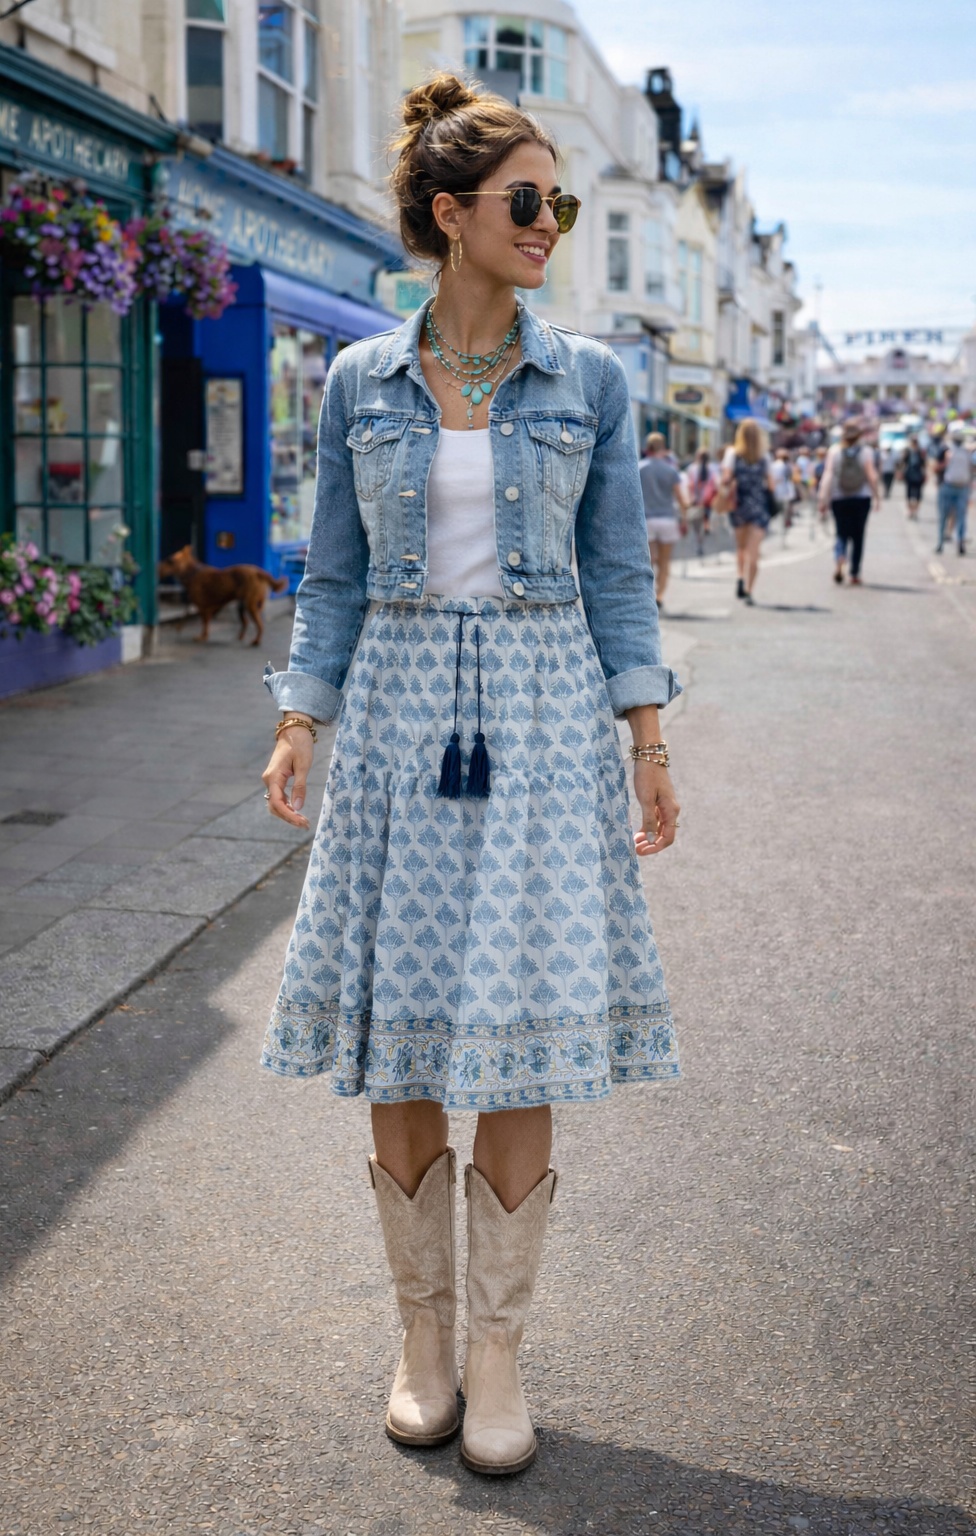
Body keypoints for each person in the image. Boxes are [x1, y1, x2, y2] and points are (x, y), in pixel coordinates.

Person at [258, 74, 681, 1478]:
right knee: (401, 1028)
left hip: (547, 717)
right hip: (391, 714)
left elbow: (621, 571)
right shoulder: (360, 382)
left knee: (521, 1027)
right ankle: (423, 1339)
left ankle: (498, 1352)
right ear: (452, 215)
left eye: (559, 198)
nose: (550, 220)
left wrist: (648, 736)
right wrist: (300, 717)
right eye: (527, 199)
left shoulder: (595, 380)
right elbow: (330, 572)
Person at [718, 418, 775, 605]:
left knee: (740, 547)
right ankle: (749, 590)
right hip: (759, 508)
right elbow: (772, 485)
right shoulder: (764, 457)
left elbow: (726, 479)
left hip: (739, 506)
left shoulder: (732, 454)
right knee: (754, 552)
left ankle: (740, 576)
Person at [819, 418, 881, 584]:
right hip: (862, 498)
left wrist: (823, 499)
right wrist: (877, 497)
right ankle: (854, 572)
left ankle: (840, 558)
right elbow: (872, 476)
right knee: (858, 535)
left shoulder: (834, 451)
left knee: (841, 532)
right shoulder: (866, 451)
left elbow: (828, 476)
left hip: (839, 498)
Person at [640, 431, 690, 605]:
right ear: (664, 448)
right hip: (667, 519)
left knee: (649, 560)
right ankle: (659, 595)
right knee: (665, 561)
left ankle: (647, 593)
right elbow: (681, 499)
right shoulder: (670, 470)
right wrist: (685, 519)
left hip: (646, 520)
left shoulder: (639, 468)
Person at [935, 422, 971, 555]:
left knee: (945, 516)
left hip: (951, 487)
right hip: (959, 487)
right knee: (959, 517)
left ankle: (942, 543)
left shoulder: (947, 449)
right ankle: (954, 543)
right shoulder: (963, 451)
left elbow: (936, 468)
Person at [684, 446, 715, 557]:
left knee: (696, 525)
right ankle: (706, 528)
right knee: (705, 519)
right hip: (707, 501)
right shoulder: (711, 468)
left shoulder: (691, 468)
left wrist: (690, 497)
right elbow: (714, 485)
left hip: (696, 500)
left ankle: (699, 543)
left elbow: (689, 485)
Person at [899, 435, 926, 519]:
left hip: (918, 475)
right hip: (909, 474)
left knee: (918, 495)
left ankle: (915, 511)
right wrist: (900, 472)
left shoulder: (920, 451)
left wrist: (925, 474)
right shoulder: (907, 450)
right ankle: (910, 511)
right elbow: (903, 462)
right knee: (909, 494)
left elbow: (924, 464)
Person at [772, 447, 795, 537]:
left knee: (781, 512)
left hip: (778, 491)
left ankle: (782, 529)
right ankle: (785, 526)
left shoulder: (775, 465)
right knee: (785, 511)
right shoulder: (787, 465)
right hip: (786, 491)